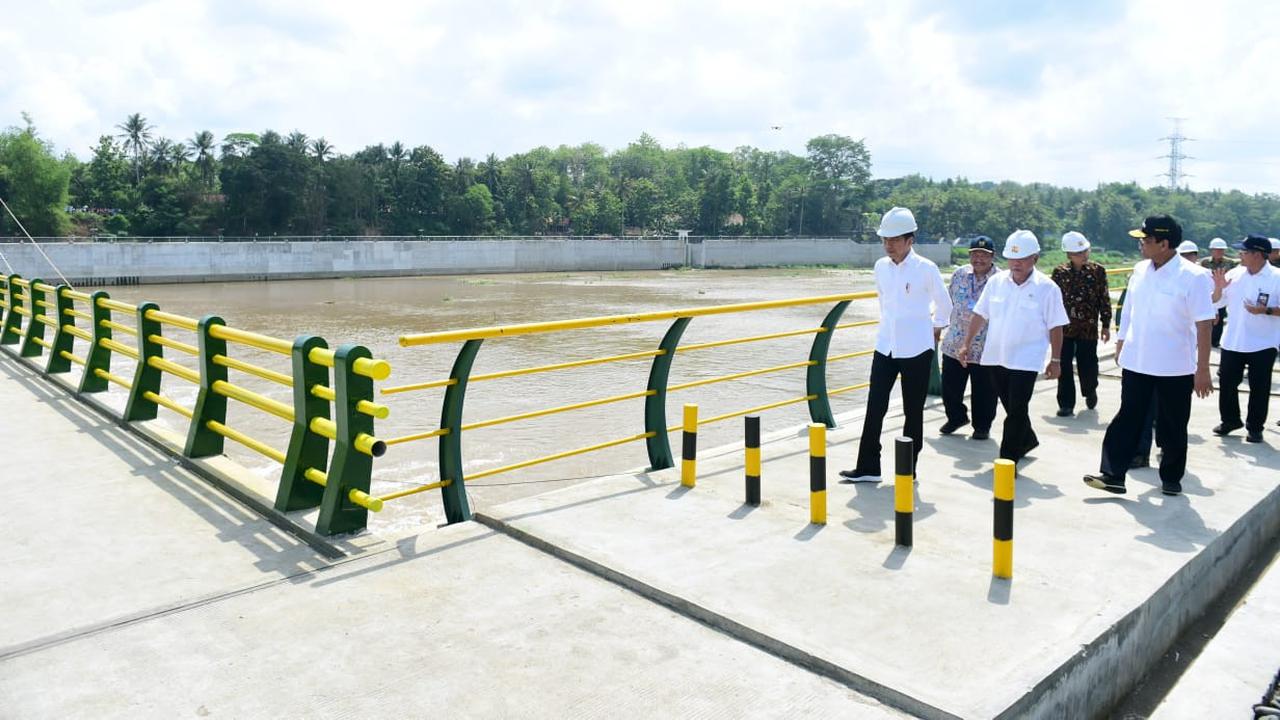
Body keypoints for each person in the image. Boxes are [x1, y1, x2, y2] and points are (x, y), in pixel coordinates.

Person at [1084, 215, 1214, 497]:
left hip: (1175, 367)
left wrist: (1202, 369)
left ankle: (1170, 478)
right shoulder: (1141, 270)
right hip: (1137, 362)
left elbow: (1204, 324)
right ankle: (1113, 474)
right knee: (1127, 419)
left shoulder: (1194, 277)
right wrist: (1121, 341)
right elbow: (1129, 309)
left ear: (1164, 244)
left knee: (1172, 425)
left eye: (1146, 239)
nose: (1141, 244)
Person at [839, 207, 952, 483]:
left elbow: (945, 304)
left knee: (913, 410)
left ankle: (907, 469)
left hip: (917, 349)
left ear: (910, 240)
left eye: (894, 239)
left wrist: (935, 330)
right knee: (875, 405)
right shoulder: (880, 267)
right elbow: (884, 303)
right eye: (885, 240)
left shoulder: (926, 269)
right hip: (886, 345)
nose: (888, 245)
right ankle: (868, 466)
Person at [957, 230, 1067, 464]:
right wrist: (966, 343)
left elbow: (1056, 326)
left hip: (1026, 359)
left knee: (1016, 410)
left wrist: (1056, 360)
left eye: (1023, 258)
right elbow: (980, 314)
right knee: (1011, 407)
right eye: (1012, 258)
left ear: (1035, 259)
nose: (1016, 263)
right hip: (996, 355)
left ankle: (1008, 460)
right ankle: (1027, 440)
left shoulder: (1047, 288)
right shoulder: (996, 283)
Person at [1210, 234, 1280, 443]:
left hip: (1263, 342)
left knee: (1259, 386)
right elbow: (1217, 302)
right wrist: (1219, 287)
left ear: (1258, 255)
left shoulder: (1276, 277)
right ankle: (1231, 420)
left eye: (1244, 251)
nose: (1240, 255)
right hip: (1234, 340)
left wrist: (1265, 310)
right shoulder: (1235, 275)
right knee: (1227, 382)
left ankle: (1255, 426)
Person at [938, 236, 999, 439]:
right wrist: (938, 325)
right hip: (955, 341)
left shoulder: (1000, 280)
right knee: (950, 386)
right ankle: (956, 417)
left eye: (984, 255)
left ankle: (982, 426)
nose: (979, 259)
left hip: (985, 345)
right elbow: (947, 301)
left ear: (992, 256)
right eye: (975, 254)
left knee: (984, 390)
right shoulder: (959, 274)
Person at [1051, 231, 1111, 417]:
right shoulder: (1060, 273)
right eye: (1078, 253)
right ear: (1069, 254)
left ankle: (1090, 390)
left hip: (1088, 327)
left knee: (1088, 364)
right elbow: (1051, 301)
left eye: (1085, 251)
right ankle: (1066, 403)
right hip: (1064, 329)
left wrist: (1106, 324)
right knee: (1064, 365)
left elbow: (1104, 298)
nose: (1084, 255)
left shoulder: (1098, 271)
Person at [1201, 238, 1237, 348]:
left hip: (1223, 292)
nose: (1219, 252)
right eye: (1216, 250)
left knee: (1220, 317)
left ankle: (1215, 341)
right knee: (1206, 316)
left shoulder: (1230, 263)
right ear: (1211, 250)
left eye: (1221, 250)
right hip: (1208, 290)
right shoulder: (1205, 262)